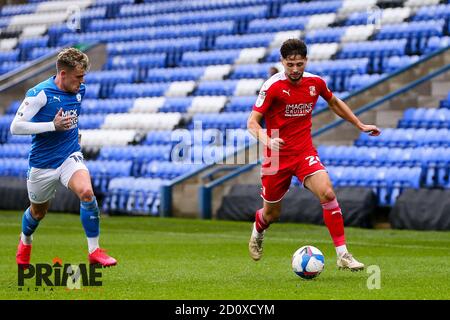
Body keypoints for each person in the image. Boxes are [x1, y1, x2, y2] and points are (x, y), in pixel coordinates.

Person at [247, 39, 381, 270]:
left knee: (327, 193)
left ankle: (343, 254)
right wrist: (267, 139)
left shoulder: (315, 83)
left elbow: (334, 102)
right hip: (275, 157)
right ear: (282, 62)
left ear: (306, 61)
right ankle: (258, 230)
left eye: (299, 64)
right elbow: (252, 122)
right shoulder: (272, 87)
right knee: (271, 214)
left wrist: (359, 124)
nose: (295, 69)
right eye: (290, 65)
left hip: (303, 151)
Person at [11, 47, 117, 268]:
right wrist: (52, 126)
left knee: (87, 193)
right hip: (42, 164)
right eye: (78, 77)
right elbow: (15, 127)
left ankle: (94, 250)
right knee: (37, 213)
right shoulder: (39, 94)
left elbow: (72, 116)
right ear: (63, 74)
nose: (82, 81)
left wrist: (74, 133)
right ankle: (25, 240)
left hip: (69, 156)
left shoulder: (80, 90)